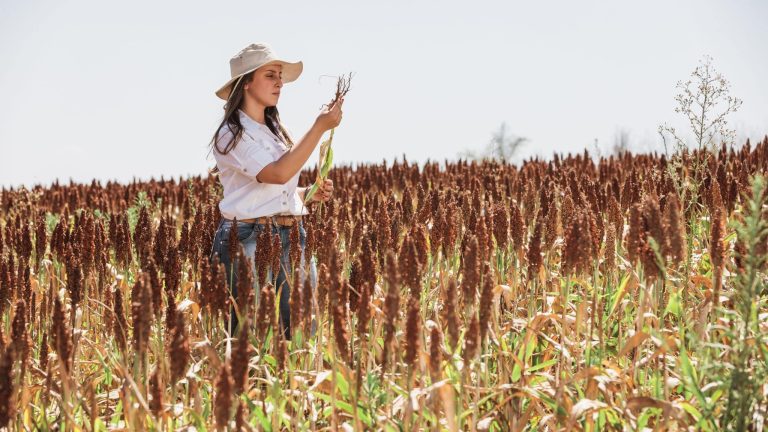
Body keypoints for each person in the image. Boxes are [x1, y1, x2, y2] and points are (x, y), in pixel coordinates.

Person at [208, 42, 343, 339]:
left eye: (280, 76)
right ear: (246, 83)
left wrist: (307, 193)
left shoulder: (276, 133)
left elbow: (271, 193)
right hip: (248, 240)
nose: (279, 82)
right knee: (254, 340)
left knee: (301, 335)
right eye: (271, 75)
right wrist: (319, 127)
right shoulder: (231, 134)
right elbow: (278, 173)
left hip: (291, 236)